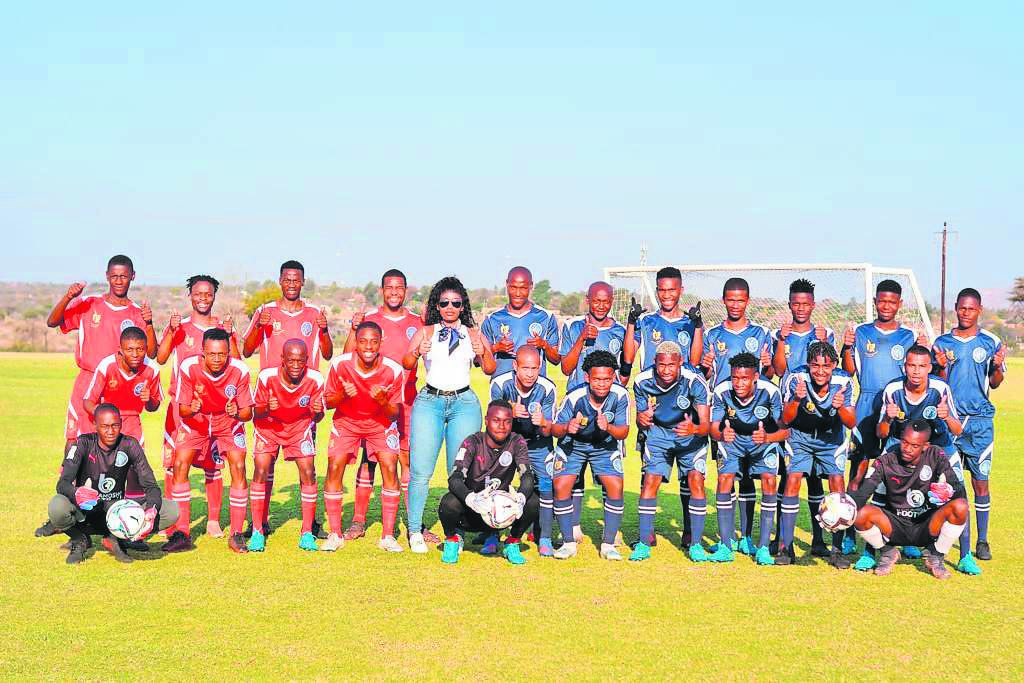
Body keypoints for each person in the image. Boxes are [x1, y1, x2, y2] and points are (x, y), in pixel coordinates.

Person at [36, 255, 157, 538]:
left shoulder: (139, 311)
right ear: (106, 276)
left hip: (119, 390)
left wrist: (150, 324)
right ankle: (62, 516)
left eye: (124, 276)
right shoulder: (90, 304)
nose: (118, 280)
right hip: (88, 383)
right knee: (74, 449)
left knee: (119, 456)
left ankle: (118, 520)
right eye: (114, 276)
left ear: (133, 277)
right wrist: (68, 297)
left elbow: (151, 352)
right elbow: (53, 322)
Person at [403, 277, 495, 554]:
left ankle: (455, 531)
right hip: (430, 401)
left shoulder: (473, 333)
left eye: (456, 303)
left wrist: (483, 353)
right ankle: (415, 530)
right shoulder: (426, 331)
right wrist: (418, 352)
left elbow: (489, 367)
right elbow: (406, 362)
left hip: (463, 403)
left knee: (459, 471)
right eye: (444, 303)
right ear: (437, 305)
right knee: (420, 470)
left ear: (463, 304)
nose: (450, 307)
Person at [243, 260, 333, 536]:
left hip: (305, 399)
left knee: (307, 462)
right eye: (287, 279)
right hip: (271, 396)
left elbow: (327, 354)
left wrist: (326, 329)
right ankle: (260, 521)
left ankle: (311, 523)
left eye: (296, 280)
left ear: (303, 282)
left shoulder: (315, 313)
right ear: (280, 281)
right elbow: (246, 350)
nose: (292, 284)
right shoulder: (265, 311)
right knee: (264, 463)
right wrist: (259, 326)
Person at [341, 269, 431, 544]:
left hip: (407, 402)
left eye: (399, 287)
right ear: (382, 290)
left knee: (407, 461)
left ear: (406, 290)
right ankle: (358, 520)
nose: (394, 291)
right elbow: (347, 354)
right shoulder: (369, 321)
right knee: (369, 462)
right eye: (389, 287)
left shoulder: (418, 322)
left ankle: (414, 524)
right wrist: (354, 329)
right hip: (371, 404)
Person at [840, 279, 926, 562]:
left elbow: (921, 366)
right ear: (875, 302)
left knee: (903, 472)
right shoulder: (862, 332)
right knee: (859, 472)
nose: (886, 306)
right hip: (866, 405)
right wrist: (845, 347)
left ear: (900, 304)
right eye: (882, 301)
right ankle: (850, 531)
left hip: (898, 406)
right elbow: (850, 368)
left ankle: (908, 536)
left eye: (892, 301)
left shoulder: (909, 335)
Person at [155, 274, 239, 538]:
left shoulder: (220, 328)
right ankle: (171, 522)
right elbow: (160, 357)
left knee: (213, 465)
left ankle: (213, 520)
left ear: (214, 296)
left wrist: (231, 332)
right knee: (175, 465)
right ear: (189, 295)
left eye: (208, 294)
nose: (203, 298)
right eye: (198, 293)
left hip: (215, 410)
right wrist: (170, 330)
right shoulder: (180, 326)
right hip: (182, 408)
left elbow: (236, 362)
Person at [48, 404, 178, 564]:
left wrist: (151, 511)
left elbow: (150, 485)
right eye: (105, 426)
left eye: (115, 425)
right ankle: (80, 539)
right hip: (86, 511)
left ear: (121, 424)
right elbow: (63, 483)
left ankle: (121, 537)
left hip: (116, 510)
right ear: (95, 425)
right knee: (57, 506)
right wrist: (77, 493)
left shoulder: (130, 445)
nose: (110, 431)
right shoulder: (82, 444)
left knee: (171, 510)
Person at [932, 288, 1007, 564]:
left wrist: (998, 365)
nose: (966, 313)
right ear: (956, 308)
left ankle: (982, 540)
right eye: (962, 308)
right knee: (951, 485)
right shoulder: (942, 342)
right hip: (950, 420)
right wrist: (939, 367)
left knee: (981, 483)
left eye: (971, 309)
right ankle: (949, 541)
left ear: (980, 310)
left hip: (980, 422)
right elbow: (937, 382)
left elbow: (996, 382)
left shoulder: (990, 342)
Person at [164, 328, 254, 554]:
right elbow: (182, 409)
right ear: (202, 353)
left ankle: (236, 533)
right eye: (212, 354)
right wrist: (191, 408)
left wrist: (237, 412)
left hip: (227, 423)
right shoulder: (188, 367)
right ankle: (181, 533)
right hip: (197, 421)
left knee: (239, 466)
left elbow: (248, 414)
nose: (217, 359)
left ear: (228, 354)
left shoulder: (240, 370)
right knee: (180, 464)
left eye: (222, 354)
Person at [700, 278, 774, 548]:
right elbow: (707, 376)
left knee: (749, 478)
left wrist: (768, 366)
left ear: (748, 301)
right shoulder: (712, 335)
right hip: (724, 414)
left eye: (740, 299)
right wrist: (706, 367)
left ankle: (746, 537)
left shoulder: (762, 333)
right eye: (730, 299)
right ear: (723, 301)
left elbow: (770, 375)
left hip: (755, 417)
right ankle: (727, 537)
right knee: (726, 475)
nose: (735, 304)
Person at [848, 419, 969, 579]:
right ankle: (887, 552)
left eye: (914, 446)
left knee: (960, 506)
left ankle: (936, 555)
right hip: (894, 525)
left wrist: (948, 492)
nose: (907, 449)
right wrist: (842, 510)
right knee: (860, 513)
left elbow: (958, 489)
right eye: (904, 443)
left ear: (925, 446)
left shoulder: (936, 455)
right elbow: (864, 492)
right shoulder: (886, 461)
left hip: (926, 525)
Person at [323, 322, 406, 552]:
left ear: (381, 343)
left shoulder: (393, 369)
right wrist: (341, 395)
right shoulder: (340, 365)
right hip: (346, 422)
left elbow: (395, 413)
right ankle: (334, 534)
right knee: (335, 465)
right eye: (363, 341)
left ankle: (388, 536)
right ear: (355, 343)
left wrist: (381, 401)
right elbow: (327, 402)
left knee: (390, 466)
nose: (368, 346)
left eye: (373, 341)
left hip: (380, 424)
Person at [81, 326, 163, 547]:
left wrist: (149, 399)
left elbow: (155, 405)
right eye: (130, 349)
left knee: (135, 476)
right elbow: (88, 400)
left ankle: (131, 530)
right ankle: (86, 530)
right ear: (120, 350)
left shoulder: (152, 370)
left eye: (140, 349)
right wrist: (103, 419)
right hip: (107, 426)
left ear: (146, 349)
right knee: (100, 478)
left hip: (133, 424)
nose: (135, 354)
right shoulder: (107, 365)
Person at [630, 342, 711, 562]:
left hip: (690, 434)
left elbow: (707, 425)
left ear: (680, 362)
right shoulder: (642, 381)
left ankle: (695, 544)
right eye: (662, 365)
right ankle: (644, 544)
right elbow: (640, 418)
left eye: (672, 365)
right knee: (650, 482)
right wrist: (641, 419)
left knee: (696, 481)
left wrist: (694, 428)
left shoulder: (695, 381)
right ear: (654, 363)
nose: (666, 370)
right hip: (658, 435)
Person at [559, 281, 627, 544]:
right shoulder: (574, 326)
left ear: (611, 301)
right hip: (577, 407)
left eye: (606, 301)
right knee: (574, 469)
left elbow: (625, 371)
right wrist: (581, 339)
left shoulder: (620, 331)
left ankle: (612, 531)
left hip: (607, 409)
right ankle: (574, 527)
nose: (601, 305)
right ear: (587, 300)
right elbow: (565, 367)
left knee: (609, 470)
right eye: (596, 300)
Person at [780, 341, 855, 568]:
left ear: (834, 365)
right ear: (808, 365)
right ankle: (787, 547)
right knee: (792, 481)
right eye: (815, 365)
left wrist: (841, 407)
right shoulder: (796, 379)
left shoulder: (843, 382)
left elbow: (852, 422)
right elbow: (786, 419)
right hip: (800, 437)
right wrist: (796, 399)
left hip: (831, 439)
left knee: (837, 485)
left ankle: (837, 550)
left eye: (826, 366)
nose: (820, 371)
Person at [550, 351, 631, 561]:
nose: (602, 384)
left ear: (613, 377)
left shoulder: (621, 395)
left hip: (604, 446)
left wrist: (609, 427)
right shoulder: (574, 397)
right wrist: (568, 427)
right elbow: (554, 429)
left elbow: (624, 431)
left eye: (606, 379)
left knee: (615, 485)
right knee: (561, 485)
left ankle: (608, 544)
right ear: (587, 377)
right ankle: (568, 543)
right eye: (596, 379)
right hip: (573, 445)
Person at [708, 352, 788, 566]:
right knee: (724, 480)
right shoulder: (721, 391)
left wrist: (768, 437)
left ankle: (762, 547)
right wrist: (720, 435)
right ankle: (726, 546)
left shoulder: (771, 391)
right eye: (735, 378)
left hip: (763, 440)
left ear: (755, 377)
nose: (738, 383)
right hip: (732, 440)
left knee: (769, 482)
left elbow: (785, 431)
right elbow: (713, 428)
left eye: (744, 379)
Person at [438, 401, 538, 566]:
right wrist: (471, 498)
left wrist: (520, 497)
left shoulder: (516, 442)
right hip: (473, 510)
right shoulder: (472, 442)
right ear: (486, 420)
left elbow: (527, 475)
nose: (502, 426)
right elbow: (454, 478)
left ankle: (512, 542)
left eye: (507, 421)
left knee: (532, 501)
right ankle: (452, 540)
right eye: (496, 420)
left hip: (501, 511)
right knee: (448, 502)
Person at [250, 339, 326, 552]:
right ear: (282, 359)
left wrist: (317, 411)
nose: (295, 365)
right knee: (261, 470)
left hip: (298, 429)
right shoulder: (266, 377)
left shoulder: (315, 379)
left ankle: (307, 533)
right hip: (268, 429)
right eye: (291, 360)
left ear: (307, 361)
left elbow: (318, 417)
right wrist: (267, 408)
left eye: (300, 361)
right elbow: (254, 413)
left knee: (308, 472)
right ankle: (257, 531)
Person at [489, 346, 557, 555]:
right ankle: (492, 535)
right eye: (525, 368)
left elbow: (549, 430)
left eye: (535, 368)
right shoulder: (499, 383)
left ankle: (544, 536)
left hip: (537, 444)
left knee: (546, 485)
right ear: (515, 365)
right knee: (495, 485)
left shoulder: (547, 388)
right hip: (506, 442)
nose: (530, 373)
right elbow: (492, 424)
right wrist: (509, 413)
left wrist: (543, 422)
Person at [622, 266, 703, 376]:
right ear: (657, 291)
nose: (666, 295)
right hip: (651, 388)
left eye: (671, 290)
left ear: (681, 290)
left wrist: (698, 326)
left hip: (681, 390)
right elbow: (628, 358)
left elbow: (694, 363)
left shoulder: (691, 323)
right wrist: (631, 322)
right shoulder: (645, 321)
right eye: (662, 290)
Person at [480, 266, 560, 377]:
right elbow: (477, 360)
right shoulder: (492, 319)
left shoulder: (546, 317)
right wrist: (495, 348)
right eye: (513, 287)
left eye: (523, 288)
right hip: (502, 387)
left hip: (535, 388)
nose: (517, 293)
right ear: (507, 284)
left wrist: (544, 345)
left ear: (531, 286)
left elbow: (556, 360)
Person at [771, 279, 836, 386]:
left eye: (805, 304)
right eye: (796, 304)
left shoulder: (827, 334)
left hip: (816, 398)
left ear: (813, 305)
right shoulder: (777, 335)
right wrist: (781, 341)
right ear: (789, 305)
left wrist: (824, 342)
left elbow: (830, 369)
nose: (801, 308)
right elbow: (779, 372)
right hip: (788, 397)